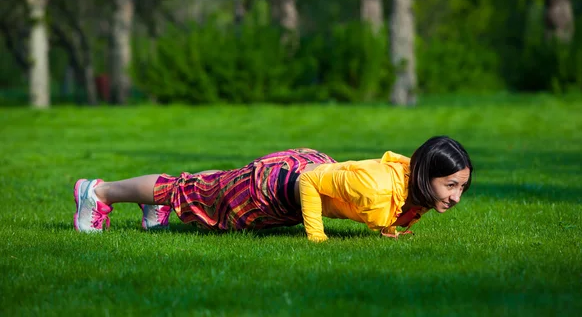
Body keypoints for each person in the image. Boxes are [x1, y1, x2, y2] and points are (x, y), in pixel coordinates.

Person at [73, 136, 473, 242]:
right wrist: (315, 236)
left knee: (203, 186)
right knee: (192, 194)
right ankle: (98, 193)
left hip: (292, 180)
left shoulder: (413, 188)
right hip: (277, 186)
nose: (455, 197)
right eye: (450, 185)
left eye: (461, 187)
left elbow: (389, 204)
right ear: (425, 174)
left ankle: (153, 207)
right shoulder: (375, 185)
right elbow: (310, 181)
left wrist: (389, 231)